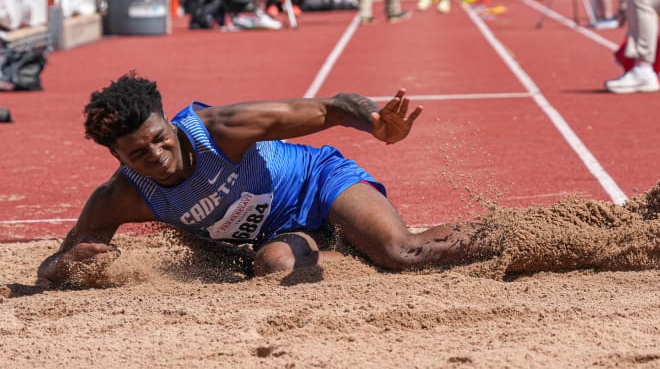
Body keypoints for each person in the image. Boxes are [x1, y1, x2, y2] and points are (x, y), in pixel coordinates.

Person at [35, 71, 509, 287]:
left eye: (160, 138)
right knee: (274, 268)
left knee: (401, 253)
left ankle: (520, 236)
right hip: (279, 232)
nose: (157, 156)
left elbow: (331, 107)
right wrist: (73, 261)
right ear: (117, 156)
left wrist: (375, 124)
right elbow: (52, 267)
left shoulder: (220, 129)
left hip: (319, 184)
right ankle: (343, 248)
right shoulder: (121, 196)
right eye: (137, 154)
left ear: (167, 121)